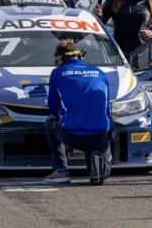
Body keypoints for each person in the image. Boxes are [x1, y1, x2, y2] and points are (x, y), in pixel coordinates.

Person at [45, 40, 113, 185]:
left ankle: (61, 170)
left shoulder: (58, 73)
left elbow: (53, 108)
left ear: (60, 59)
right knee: (102, 166)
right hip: (101, 134)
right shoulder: (100, 73)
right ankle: (98, 165)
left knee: (50, 122)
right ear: (80, 56)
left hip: (72, 135)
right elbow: (107, 106)